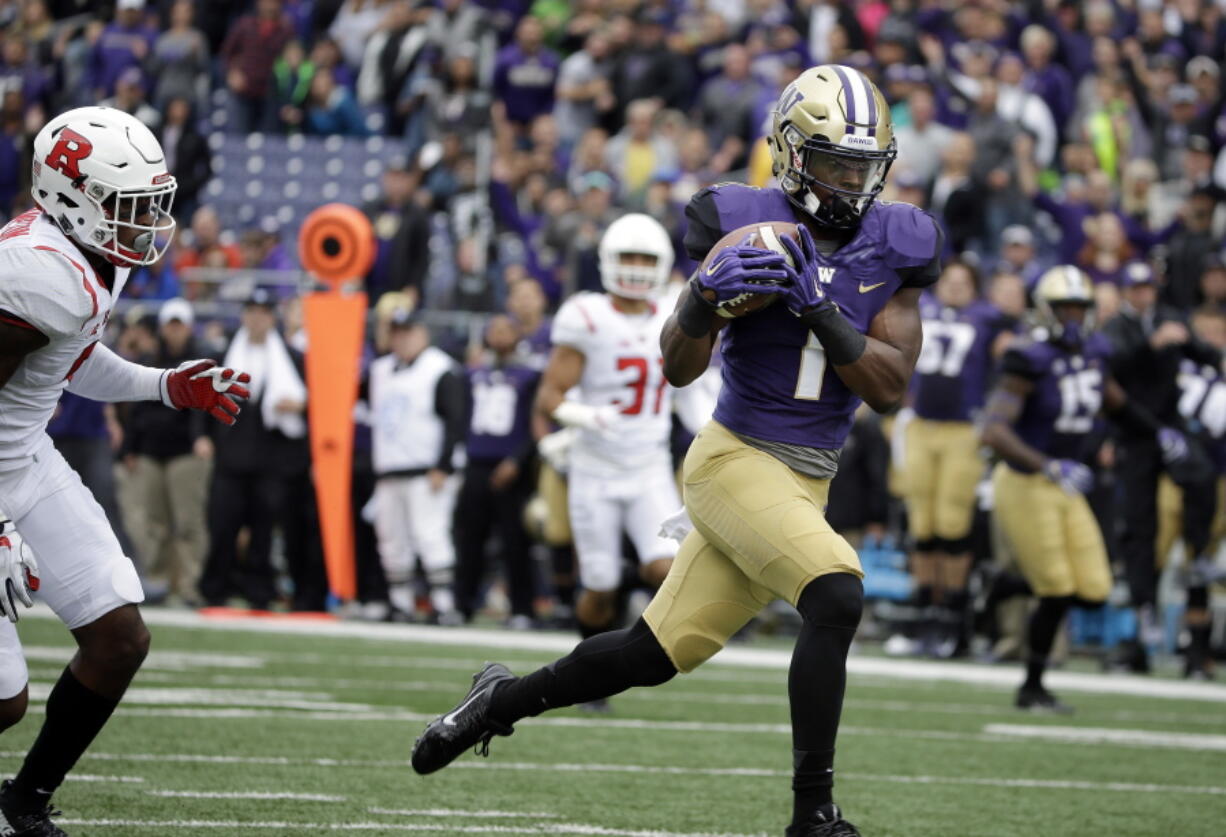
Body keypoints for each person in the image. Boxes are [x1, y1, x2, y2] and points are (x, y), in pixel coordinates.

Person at [412, 65, 941, 837]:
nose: (851, 180)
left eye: (863, 165)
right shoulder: (736, 216)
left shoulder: (901, 240)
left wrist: (818, 308)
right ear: (792, 154)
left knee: (651, 653)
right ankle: (814, 815)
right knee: (836, 592)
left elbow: (890, 386)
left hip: (807, 482)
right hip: (734, 460)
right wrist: (698, 301)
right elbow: (677, 364)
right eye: (834, 162)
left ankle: (499, 699)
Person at [0, 106, 250, 836]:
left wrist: (165, 385)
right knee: (4, 697)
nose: (146, 223)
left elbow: (68, 359)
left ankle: (22, 804)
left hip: (22, 459)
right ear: (74, 198)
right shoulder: (34, 276)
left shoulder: (80, 262)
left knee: (119, 638)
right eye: (129, 207)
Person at [980, 266, 1191, 712]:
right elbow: (994, 430)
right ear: (1046, 310)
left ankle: (1008, 583)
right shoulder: (1028, 356)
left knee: (1095, 589)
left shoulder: (1096, 350)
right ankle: (1032, 687)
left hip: (1065, 482)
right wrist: (1048, 464)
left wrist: (1158, 433)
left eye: (1080, 307)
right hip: (1027, 480)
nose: (1074, 316)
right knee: (1056, 589)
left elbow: (1116, 404)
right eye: (1065, 308)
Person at [529, 212, 680, 704]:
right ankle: (591, 674)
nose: (636, 268)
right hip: (595, 467)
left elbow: (695, 380)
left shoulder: (675, 311)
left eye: (646, 259)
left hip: (649, 465)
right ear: (608, 262)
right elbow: (549, 396)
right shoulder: (588, 315)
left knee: (670, 569)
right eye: (628, 258)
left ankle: (630, 627)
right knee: (598, 587)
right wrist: (585, 416)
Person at [1099, 261, 1221, 673]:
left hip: (1169, 430)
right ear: (1125, 292)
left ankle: (1200, 547)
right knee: (1139, 529)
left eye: (1147, 287)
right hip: (1136, 435)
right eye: (1135, 288)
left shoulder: (1172, 318)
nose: (1142, 294)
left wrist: (1206, 350)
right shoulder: (1117, 328)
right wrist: (1153, 343)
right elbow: (1114, 372)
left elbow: (1203, 354)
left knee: (1202, 480)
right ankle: (1142, 617)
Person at [903, 259, 1012, 657]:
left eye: (963, 281)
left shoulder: (988, 317)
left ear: (974, 286)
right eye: (949, 279)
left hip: (963, 428)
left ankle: (952, 617)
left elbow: (1012, 356)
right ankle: (924, 615)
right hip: (919, 424)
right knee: (922, 522)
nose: (954, 286)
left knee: (952, 522)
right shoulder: (918, 304)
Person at [198, 289, 304, 611]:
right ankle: (215, 588)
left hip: (270, 455)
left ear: (272, 317)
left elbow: (309, 400)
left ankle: (260, 591)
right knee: (222, 524)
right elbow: (201, 395)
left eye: (263, 312)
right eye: (252, 311)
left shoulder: (292, 356)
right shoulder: (223, 351)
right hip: (230, 453)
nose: (257, 318)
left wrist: (300, 405)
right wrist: (201, 435)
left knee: (263, 528)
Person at [368, 310, 465, 624]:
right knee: (392, 538)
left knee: (431, 534)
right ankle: (401, 602)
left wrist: (443, 464)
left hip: (426, 469)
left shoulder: (440, 369)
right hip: (389, 467)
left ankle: (443, 603)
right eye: (396, 332)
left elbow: (455, 421)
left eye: (408, 331)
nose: (402, 338)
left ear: (423, 333)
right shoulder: (380, 370)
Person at [119, 298, 212, 606]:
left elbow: (204, 406)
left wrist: (202, 438)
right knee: (154, 523)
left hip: (185, 450)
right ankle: (158, 582)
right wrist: (129, 448)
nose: (174, 332)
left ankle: (187, 586)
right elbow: (135, 408)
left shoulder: (201, 360)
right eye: (170, 325)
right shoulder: (150, 358)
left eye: (179, 325)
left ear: (187, 328)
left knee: (187, 522)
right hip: (150, 450)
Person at [453, 315, 543, 628]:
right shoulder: (473, 372)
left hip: (511, 466)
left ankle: (521, 608)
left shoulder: (530, 374)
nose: (500, 336)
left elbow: (536, 424)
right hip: (477, 461)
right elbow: (462, 418)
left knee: (515, 541)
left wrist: (517, 460)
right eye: (495, 330)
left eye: (506, 330)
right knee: (469, 538)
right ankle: (462, 604)